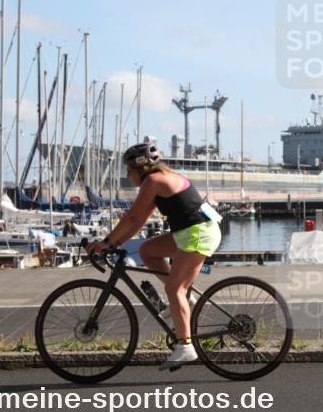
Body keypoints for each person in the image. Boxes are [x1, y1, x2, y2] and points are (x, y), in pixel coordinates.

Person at [85, 142, 222, 370]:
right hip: (188, 232)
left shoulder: (154, 181)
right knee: (147, 251)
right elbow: (138, 220)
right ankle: (184, 300)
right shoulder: (158, 180)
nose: (127, 175)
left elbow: (130, 219)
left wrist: (106, 243)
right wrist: (114, 243)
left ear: (141, 168)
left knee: (174, 289)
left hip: (197, 235)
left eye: (129, 170)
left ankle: (186, 346)